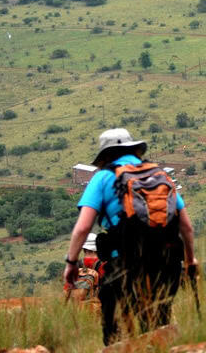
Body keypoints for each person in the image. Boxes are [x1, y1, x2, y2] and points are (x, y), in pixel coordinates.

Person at [63, 128, 198, 345]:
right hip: (167, 265)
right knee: (158, 328)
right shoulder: (160, 176)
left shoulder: (103, 178)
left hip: (126, 267)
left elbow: (82, 228)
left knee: (116, 332)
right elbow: (187, 228)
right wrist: (190, 261)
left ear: (105, 156)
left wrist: (71, 262)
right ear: (134, 149)